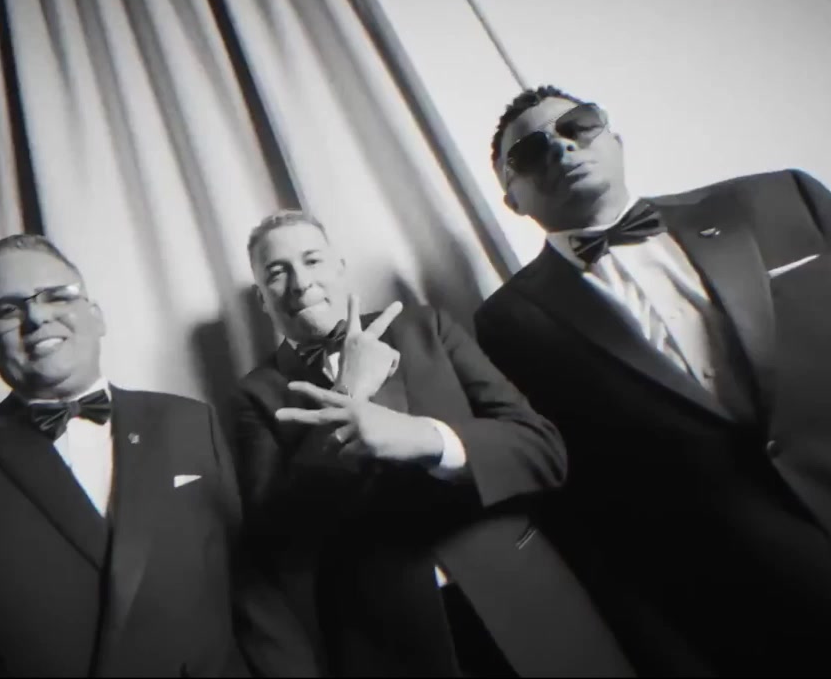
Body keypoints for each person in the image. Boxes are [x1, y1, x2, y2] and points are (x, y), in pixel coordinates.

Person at [0, 234, 318, 678]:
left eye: (56, 296)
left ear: (96, 316)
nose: (36, 318)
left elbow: (253, 598)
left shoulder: (191, 423)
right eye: (7, 309)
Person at [475, 85, 831, 676]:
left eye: (577, 125)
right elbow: (588, 503)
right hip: (765, 600)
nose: (561, 148)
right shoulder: (508, 325)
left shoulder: (778, 197)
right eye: (530, 153)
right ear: (512, 198)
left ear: (614, 138)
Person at [231, 210, 633, 677]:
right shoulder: (253, 395)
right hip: (397, 649)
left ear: (340, 267)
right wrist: (349, 392)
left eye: (312, 260)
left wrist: (430, 439)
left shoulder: (427, 328)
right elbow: (281, 540)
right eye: (277, 273)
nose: (301, 283)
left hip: (531, 602)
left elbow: (543, 449)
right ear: (262, 299)